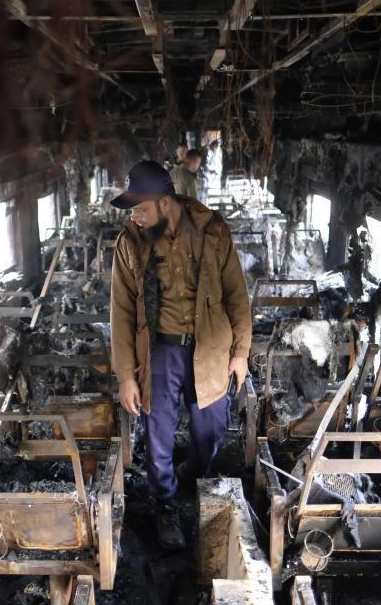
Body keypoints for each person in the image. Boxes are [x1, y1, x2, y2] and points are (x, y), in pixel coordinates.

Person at [108, 160, 251, 550]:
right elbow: (120, 311)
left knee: (211, 427)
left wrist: (240, 353)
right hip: (159, 351)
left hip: (210, 346)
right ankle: (165, 503)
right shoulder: (131, 243)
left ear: (165, 203)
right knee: (158, 433)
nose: (134, 216)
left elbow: (236, 294)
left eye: (139, 207)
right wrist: (126, 376)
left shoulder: (212, 230)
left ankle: (194, 470)